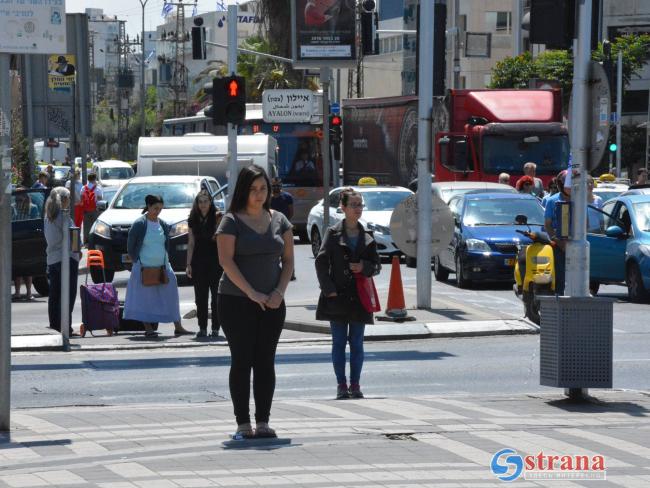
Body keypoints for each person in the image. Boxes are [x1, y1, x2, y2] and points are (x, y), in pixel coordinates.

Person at [216, 165, 294, 439]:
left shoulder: (280, 220)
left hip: (272, 303)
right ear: (243, 191)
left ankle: (263, 421)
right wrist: (252, 293)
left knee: (265, 361)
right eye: (253, 189)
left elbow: (288, 262)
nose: (259, 194)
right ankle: (242, 423)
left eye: (263, 189)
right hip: (236, 301)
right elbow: (225, 261)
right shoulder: (230, 221)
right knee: (242, 360)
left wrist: (278, 293)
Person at [315, 188, 381, 400]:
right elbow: (321, 262)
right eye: (353, 205)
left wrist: (364, 266)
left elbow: (377, 265)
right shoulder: (332, 234)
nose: (358, 209)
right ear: (343, 208)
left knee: (357, 342)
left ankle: (356, 385)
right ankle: (341, 385)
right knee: (338, 342)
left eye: (360, 204)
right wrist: (329, 289)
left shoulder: (367, 235)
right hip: (338, 297)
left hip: (359, 296)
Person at [123, 195, 191, 338]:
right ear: (148, 206)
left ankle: (178, 326)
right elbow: (130, 246)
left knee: (171, 294)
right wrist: (138, 261)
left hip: (163, 266)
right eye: (155, 208)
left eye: (160, 208)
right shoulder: (139, 224)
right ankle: (148, 328)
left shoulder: (163, 224)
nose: (158, 211)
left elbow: (165, 244)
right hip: (144, 267)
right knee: (145, 298)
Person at [186, 190, 223, 339]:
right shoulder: (192, 219)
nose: (203, 205)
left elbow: (222, 239)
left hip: (215, 261)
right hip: (199, 261)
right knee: (200, 298)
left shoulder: (218, 217)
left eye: (205, 201)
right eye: (200, 202)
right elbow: (191, 243)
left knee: (216, 297)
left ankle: (215, 328)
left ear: (210, 202)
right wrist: (188, 264)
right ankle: (202, 327)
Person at [44, 187, 80, 333]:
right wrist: (78, 250)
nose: (70, 201)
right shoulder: (64, 216)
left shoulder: (48, 217)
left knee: (54, 294)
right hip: (67, 259)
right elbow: (75, 239)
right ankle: (66, 326)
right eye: (69, 198)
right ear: (64, 199)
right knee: (68, 294)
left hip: (52, 259)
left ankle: (54, 324)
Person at [544, 170, 570, 296]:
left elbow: (585, 224)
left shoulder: (580, 201)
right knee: (559, 273)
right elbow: (548, 225)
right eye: (566, 183)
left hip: (574, 243)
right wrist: (558, 242)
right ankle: (558, 296)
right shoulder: (551, 201)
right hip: (557, 243)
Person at [270, 178, 296, 281]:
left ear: (281, 186)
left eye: (278, 185)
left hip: (285, 228)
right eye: (274, 186)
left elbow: (291, 212)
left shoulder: (287, 197)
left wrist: (286, 224)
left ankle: (291, 273)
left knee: (288, 252)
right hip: (272, 228)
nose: (276, 188)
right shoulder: (268, 198)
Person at [80, 173, 103, 244]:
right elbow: (100, 199)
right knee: (95, 226)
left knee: (86, 226)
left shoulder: (84, 188)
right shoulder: (98, 188)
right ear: (95, 179)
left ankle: (86, 242)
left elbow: (81, 198)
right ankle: (95, 241)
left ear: (88, 179)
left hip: (86, 210)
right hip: (95, 210)